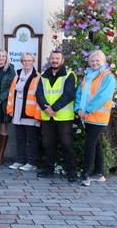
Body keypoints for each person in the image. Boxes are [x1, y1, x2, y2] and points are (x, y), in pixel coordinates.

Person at [76, 50, 117, 186]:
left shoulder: (108, 77)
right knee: (96, 143)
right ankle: (99, 173)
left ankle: (85, 175)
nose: (95, 63)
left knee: (90, 144)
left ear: (103, 61)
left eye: (97, 60)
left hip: (98, 116)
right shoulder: (89, 76)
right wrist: (79, 109)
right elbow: (79, 94)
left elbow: (102, 97)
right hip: (87, 116)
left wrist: (86, 110)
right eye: (92, 61)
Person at [35, 50, 77, 182]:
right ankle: (48, 169)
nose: (55, 60)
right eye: (52, 58)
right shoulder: (43, 76)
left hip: (63, 116)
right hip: (48, 116)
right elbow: (39, 94)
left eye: (57, 58)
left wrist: (53, 108)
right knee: (47, 143)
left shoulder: (69, 75)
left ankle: (72, 172)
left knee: (66, 143)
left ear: (62, 60)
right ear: (49, 60)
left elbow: (69, 94)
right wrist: (46, 108)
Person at [7, 52, 41, 171]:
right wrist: (10, 109)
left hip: (30, 113)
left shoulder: (37, 77)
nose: (27, 63)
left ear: (33, 62)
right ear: (21, 62)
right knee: (20, 138)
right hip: (17, 112)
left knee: (32, 139)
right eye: (24, 61)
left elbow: (39, 97)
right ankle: (19, 160)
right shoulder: (17, 75)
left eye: (29, 60)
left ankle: (31, 163)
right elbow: (11, 93)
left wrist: (38, 114)